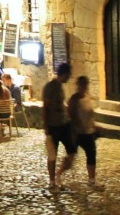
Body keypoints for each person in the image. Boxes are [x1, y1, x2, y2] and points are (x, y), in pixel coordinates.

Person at [43, 62, 77, 190]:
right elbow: (46, 106)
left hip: (64, 124)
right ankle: (52, 180)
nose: (69, 78)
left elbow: (61, 103)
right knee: (52, 154)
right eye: (68, 75)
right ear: (64, 74)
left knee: (72, 151)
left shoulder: (60, 87)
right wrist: (46, 125)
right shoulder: (50, 87)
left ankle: (59, 173)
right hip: (53, 125)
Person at [68, 76, 102, 189]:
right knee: (71, 157)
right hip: (78, 133)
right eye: (81, 85)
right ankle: (58, 174)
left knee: (91, 155)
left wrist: (94, 125)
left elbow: (90, 114)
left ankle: (91, 180)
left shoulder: (88, 97)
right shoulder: (74, 99)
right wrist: (73, 131)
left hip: (88, 132)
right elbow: (70, 116)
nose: (83, 87)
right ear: (78, 86)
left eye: (85, 85)